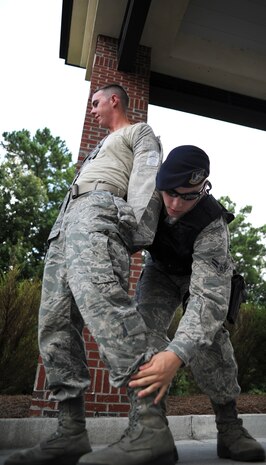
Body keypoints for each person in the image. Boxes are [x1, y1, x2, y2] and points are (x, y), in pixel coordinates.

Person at [5, 84, 176, 465]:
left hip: (100, 212)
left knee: (106, 307)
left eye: (96, 103)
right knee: (53, 324)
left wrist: (133, 228)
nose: (93, 110)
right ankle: (70, 430)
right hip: (65, 226)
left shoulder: (138, 132)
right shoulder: (100, 146)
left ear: (114, 100)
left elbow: (148, 177)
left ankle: (150, 425)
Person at [78, 145, 265, 465]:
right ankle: (147, 430)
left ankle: (230, 427)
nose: (177, 204)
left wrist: (175, 354)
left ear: (204, 188)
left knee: (211, 339)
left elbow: (208, 300)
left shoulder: (212, 224)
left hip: (200, 276)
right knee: (140, 332)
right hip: (161, 272)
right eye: (170, 193)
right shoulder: (141, 194)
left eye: (189, 196)